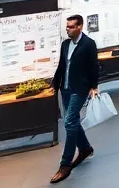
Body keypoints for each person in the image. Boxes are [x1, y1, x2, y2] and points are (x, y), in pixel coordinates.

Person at [49, 14, 99, 184]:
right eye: (67, 26)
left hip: (80, 88)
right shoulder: (65, 44)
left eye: (71, 27)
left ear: (80, 27)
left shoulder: (89, 44)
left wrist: (94, 87)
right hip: (66, 88)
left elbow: (93, 66)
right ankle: (85, 148)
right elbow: (62, 66)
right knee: (73, 121)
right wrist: (55, 84)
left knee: (69, 122)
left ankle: (65, 164)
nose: (67, 29)